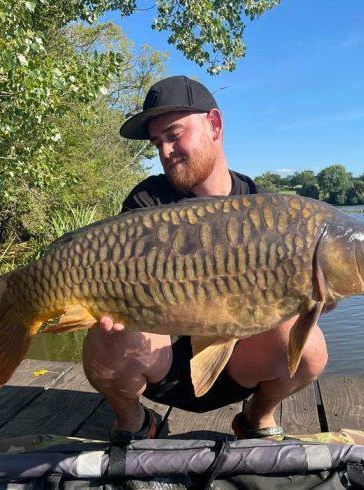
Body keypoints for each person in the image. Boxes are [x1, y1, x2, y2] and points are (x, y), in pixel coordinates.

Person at [82, 75, 328, 441]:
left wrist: (310, 295)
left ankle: (256, 418)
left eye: (174, 134)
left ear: (213, 124)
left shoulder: (261, 207)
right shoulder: (147, 201)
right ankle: (135, 422)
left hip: (236, 362)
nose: (165, 152)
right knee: (103, 339)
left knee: (308, 345)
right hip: (163, 359)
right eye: (157, 142)